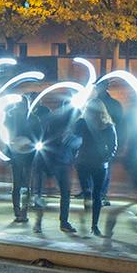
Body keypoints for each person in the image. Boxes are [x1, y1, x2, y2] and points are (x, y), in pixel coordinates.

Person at [32, 99, 81, 233]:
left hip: (47, 159)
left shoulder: (53, 119)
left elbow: (41, 137)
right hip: (61, 161)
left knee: (43, 193)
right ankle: (63, 222)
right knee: (64, 193)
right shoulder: (72, 124)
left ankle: (39, 223)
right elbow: (76, 142)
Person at [75, 98, 118, 236]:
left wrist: (74, 154)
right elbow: (113, 146)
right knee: (97, 195)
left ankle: (88, 200)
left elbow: (71, 139)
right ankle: (94, 225)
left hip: (86, 161)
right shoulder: (107, 125)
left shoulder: (81, 123)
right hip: (98, 163)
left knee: (92, 192)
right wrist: (106, 157)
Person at [4, 96, 35, 224]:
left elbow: (5, 136)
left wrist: (8, 152)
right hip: (28, 154)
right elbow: (39, 136)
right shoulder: (32, 118)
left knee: (16, 185)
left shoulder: (10, 117)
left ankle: (17, 212)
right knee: (26, 186)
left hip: (15, 154)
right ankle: (23, 212)